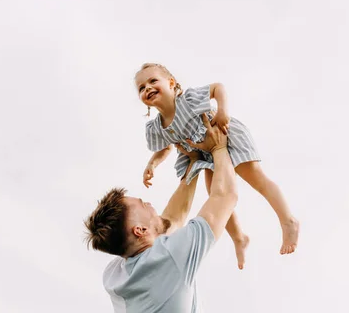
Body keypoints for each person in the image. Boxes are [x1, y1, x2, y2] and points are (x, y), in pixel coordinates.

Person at [136, 63, 299, 263]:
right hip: (204, 153)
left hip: (223, 134)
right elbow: (165, 148)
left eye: (153, 81)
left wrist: (223, 111)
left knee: (257, 178)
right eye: (142, 88)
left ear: (171, 83)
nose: (147, 88)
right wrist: (153, 165)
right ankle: (239, 237)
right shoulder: (157, 127)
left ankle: (287, 220)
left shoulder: (187, 101)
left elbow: (217, 88)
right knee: (215, 195)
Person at [84, 114, 237, 312]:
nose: (148, 203)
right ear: (139, 230)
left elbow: (172, 220)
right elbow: (225, 196)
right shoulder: (169, 257)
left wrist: (193, 163)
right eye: (142, 204)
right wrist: (218, 147)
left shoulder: (114, 275)